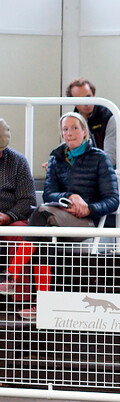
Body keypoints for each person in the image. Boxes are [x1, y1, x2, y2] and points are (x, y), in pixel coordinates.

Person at [12, 112, 119, 320]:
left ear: (85, 132)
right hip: (58, 217)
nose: (69, 133)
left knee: (40, 217)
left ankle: (13, 275)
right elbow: (50, 192)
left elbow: (113, 200)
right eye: (65, 129)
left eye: (74, 128)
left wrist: (89, 208)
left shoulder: (100, 158)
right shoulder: (56, 157)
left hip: (86, 221)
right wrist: (70, 196)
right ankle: (42, 305)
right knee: (43, 234)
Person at [66, 78, 120, 181]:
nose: (86, 102)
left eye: (88, 96)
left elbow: (110, 159)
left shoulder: (109, 117)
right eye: (80, 98)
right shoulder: (71, 120)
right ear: (73, 101)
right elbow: (69, 151)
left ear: (94, 96)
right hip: (91, 168)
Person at [0, 119, 37, 301]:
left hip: (10, 218)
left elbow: (28, 200)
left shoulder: (18, 161)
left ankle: (20, 297)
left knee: (22, 234)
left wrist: (8, 216)